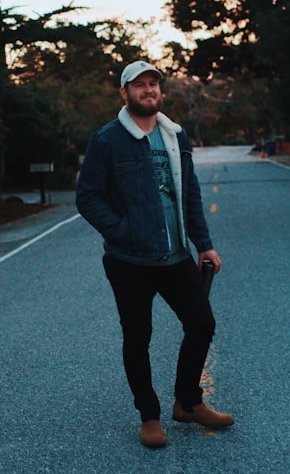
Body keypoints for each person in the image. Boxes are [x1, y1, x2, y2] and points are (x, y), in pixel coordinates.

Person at [76, 60, 234, 448]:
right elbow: (87, 197)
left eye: (153, 84)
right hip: (129, 261)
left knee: (202, 323)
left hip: (175, 255)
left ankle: (188, 402)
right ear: (124, 93)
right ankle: (149, 416)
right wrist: (122, 230)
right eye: (139, 85)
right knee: (138, 337)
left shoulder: (175, 136)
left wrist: (204, 244)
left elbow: (191, 193)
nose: (148, 90)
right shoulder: (107, 140)